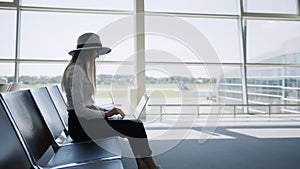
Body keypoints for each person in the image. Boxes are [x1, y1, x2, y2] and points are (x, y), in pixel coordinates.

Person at [61, 32, 160, 169]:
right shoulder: (76, 71)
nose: (97, 55)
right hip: (80, 127)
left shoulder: (78, 69)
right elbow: (79, 110)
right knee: (134, 126)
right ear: (88, 51)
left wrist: (105, 111)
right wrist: (106, 114)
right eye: (96, 51)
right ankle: (151, 166)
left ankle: (143, 165)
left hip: (83, 123)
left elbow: (87, 105)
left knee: (133, 125)